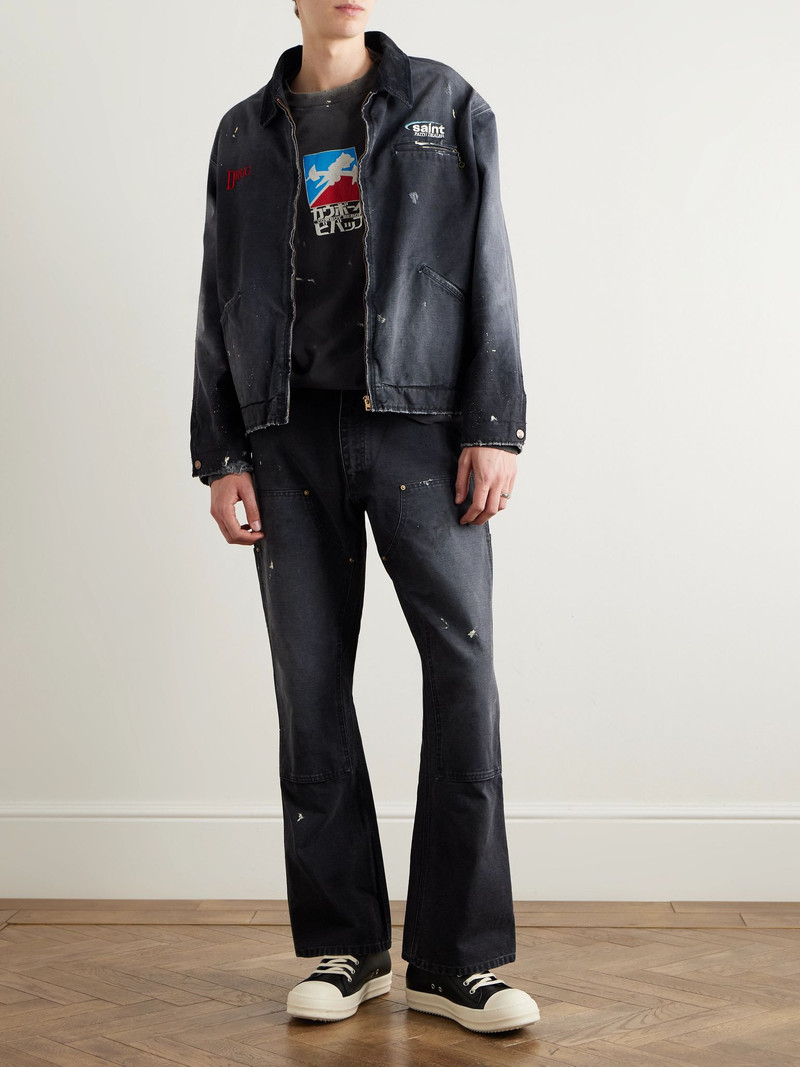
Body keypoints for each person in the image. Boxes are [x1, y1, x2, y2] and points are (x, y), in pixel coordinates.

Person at [189, 0, 539, 1035]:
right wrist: (220, 450)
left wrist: (495, 424)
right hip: (286, 434)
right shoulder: (244, 131)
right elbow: (216, 290)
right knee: (310, 688)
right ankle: (348, 947)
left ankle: (456, 959)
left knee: (462, 676)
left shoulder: (445, 103)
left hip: (422, 431)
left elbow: (489, 264)